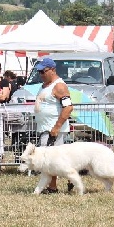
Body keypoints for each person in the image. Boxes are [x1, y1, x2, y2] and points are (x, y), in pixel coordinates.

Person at [31, 57, 73, 193]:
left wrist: (56, 127)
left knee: (51, 160)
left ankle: (53, 186)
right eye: (39, 72)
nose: (41, 74)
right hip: (45, 128)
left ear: (53, 70)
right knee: (53, 160)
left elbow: (68, 108)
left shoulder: (59, 86)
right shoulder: (45, 85)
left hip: (53, 130)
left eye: (43, 71)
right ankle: (66, 181)